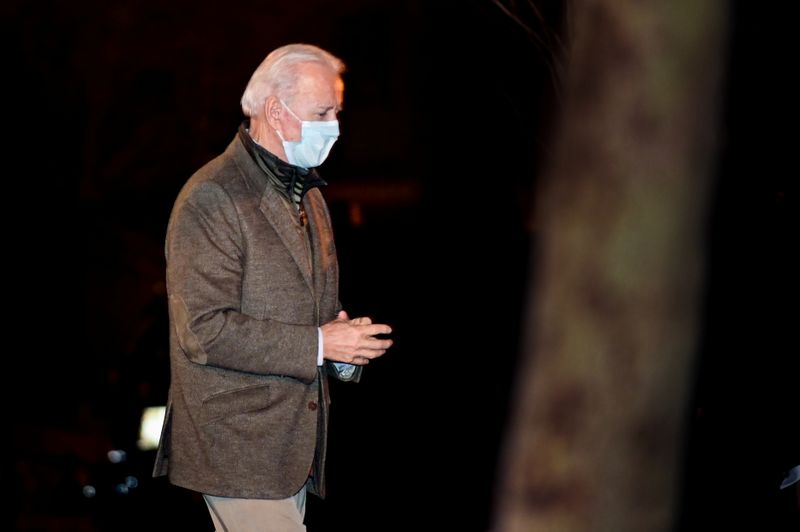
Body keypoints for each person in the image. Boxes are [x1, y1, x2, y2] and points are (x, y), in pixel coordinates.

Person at [152, 43, 393, 531]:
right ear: (276, 112)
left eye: (337, 112)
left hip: (293, 447)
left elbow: (314, 310)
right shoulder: (211, 197)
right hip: (236, 446)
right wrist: (321, 343)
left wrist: (344, 346)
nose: (335, 126)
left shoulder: (310, 193)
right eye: (322, 112)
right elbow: (203, 330)